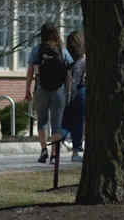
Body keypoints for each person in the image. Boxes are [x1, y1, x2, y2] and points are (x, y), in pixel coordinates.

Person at [25, 22, 73, 164]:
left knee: (42, 120)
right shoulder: (62, 50)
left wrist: (27, 89)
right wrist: (69, 91)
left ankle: (44, 150)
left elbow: (30, 71)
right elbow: (69, 72)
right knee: (56, 123)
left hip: (41, 88)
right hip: (59, 90)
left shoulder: (37, 50)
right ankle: (54, 154)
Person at [65, 30, 86, 162]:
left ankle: (62, 139)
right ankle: (75, 151)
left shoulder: (67, 58)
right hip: (81, 92)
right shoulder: (84, 59)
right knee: (78, 123)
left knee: (67, 122)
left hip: (66, 93)